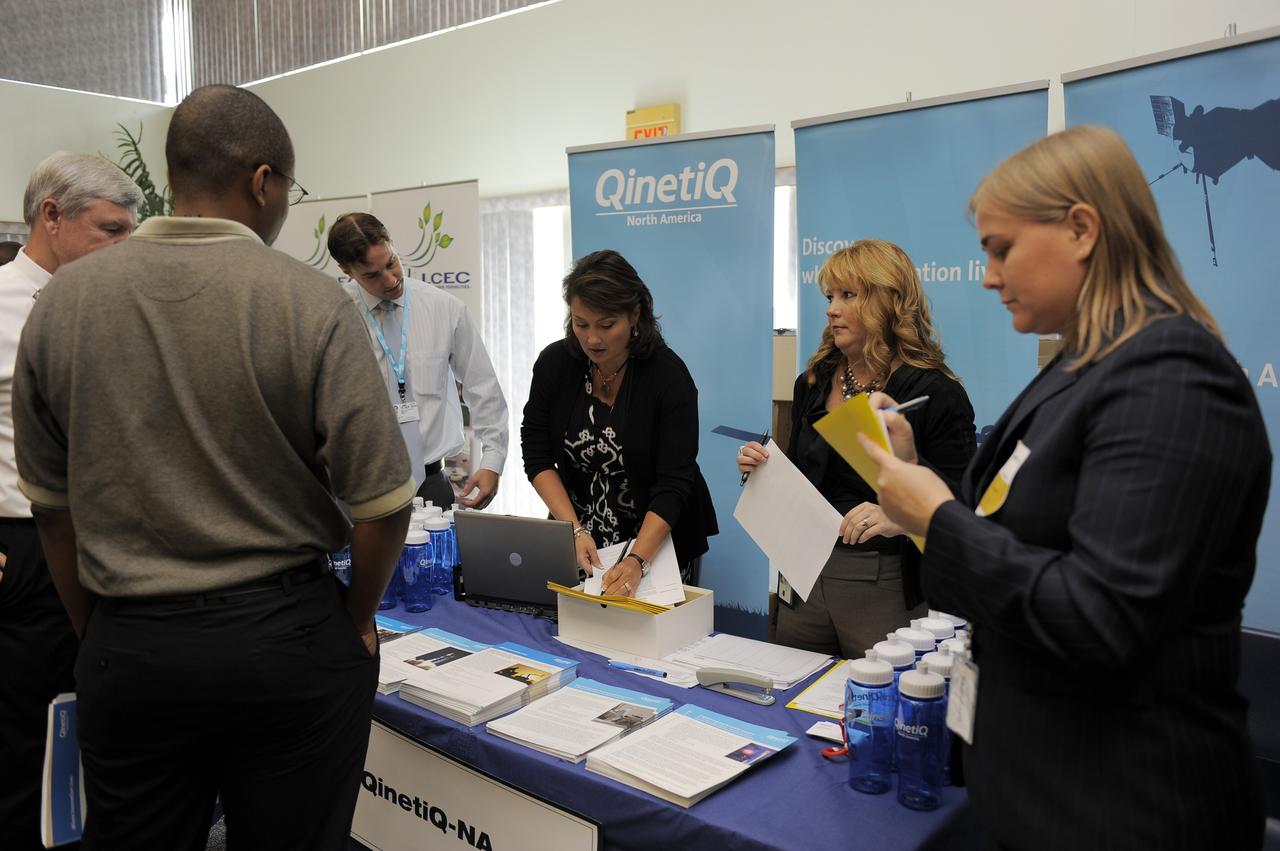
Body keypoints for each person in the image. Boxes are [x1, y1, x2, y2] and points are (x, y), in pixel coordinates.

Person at [12, 85, 414, 850]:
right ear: (262, 182)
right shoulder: (312, 305)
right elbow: (385, 503)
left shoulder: (61, 306)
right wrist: (355, 620)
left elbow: (52, 508)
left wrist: (97, 627)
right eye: (288, 190)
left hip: (131, 643)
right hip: (287, 641)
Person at [863, 126, 1267, 848]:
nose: (987, 275)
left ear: (1081, 228)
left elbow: (1100, 616)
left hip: (1123, 809)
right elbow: (1009, 538)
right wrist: (921, 486)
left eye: (1000, 248)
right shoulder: (1081, 368)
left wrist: (938, 515)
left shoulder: (1173, 376)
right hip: (1037, 793)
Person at [737, 240, 975, 658]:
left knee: (875, 705)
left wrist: (897, 515)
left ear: (890, 302)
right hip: (801, 570)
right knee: (791, 696)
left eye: (849, 295)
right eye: (830, 296)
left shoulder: (935, 393)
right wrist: (760, 468)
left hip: (882, 580)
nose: (832, 309)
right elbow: (804, 473)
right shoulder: (813, 379)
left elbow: (964, 501)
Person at [0, 152, 140, 851]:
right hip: (24, 548)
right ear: (50, 216)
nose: (123, 247)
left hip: (112, 547)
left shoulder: (117, 306)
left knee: (103, 720)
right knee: (32, 730)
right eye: (110, 229)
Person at [521, 249, 717, 596]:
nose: (592, 339)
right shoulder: (555, 364)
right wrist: (574, 529)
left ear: (635, 316)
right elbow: (536, 453)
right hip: (579, 533)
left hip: (656, 542)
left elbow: (675, 482)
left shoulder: (668, 377)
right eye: (581, 324)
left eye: (607, 325)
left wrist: (637, 560)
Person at [328, 212, 508, 510]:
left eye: (391, 263)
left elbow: (483, 387)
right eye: (372, 275)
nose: (390, 280)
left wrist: (493, 461)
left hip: (431, 484)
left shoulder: (445, 309)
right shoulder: (333, 316)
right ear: (346, 270)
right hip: (360, 487)